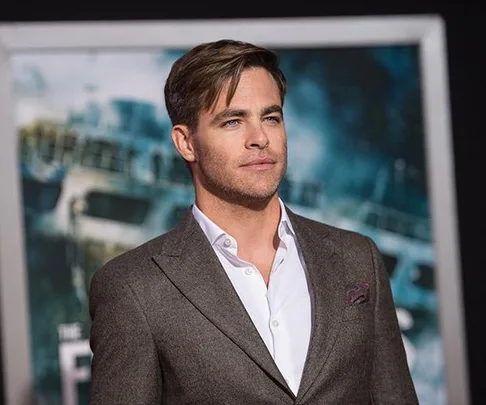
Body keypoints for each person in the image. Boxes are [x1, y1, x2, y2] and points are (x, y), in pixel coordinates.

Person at [88, 39, 419, 404]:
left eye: (271, 118)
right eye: (233, 121)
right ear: (186, 143)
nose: (260, 138)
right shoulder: (134, 288)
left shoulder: (357, 257)